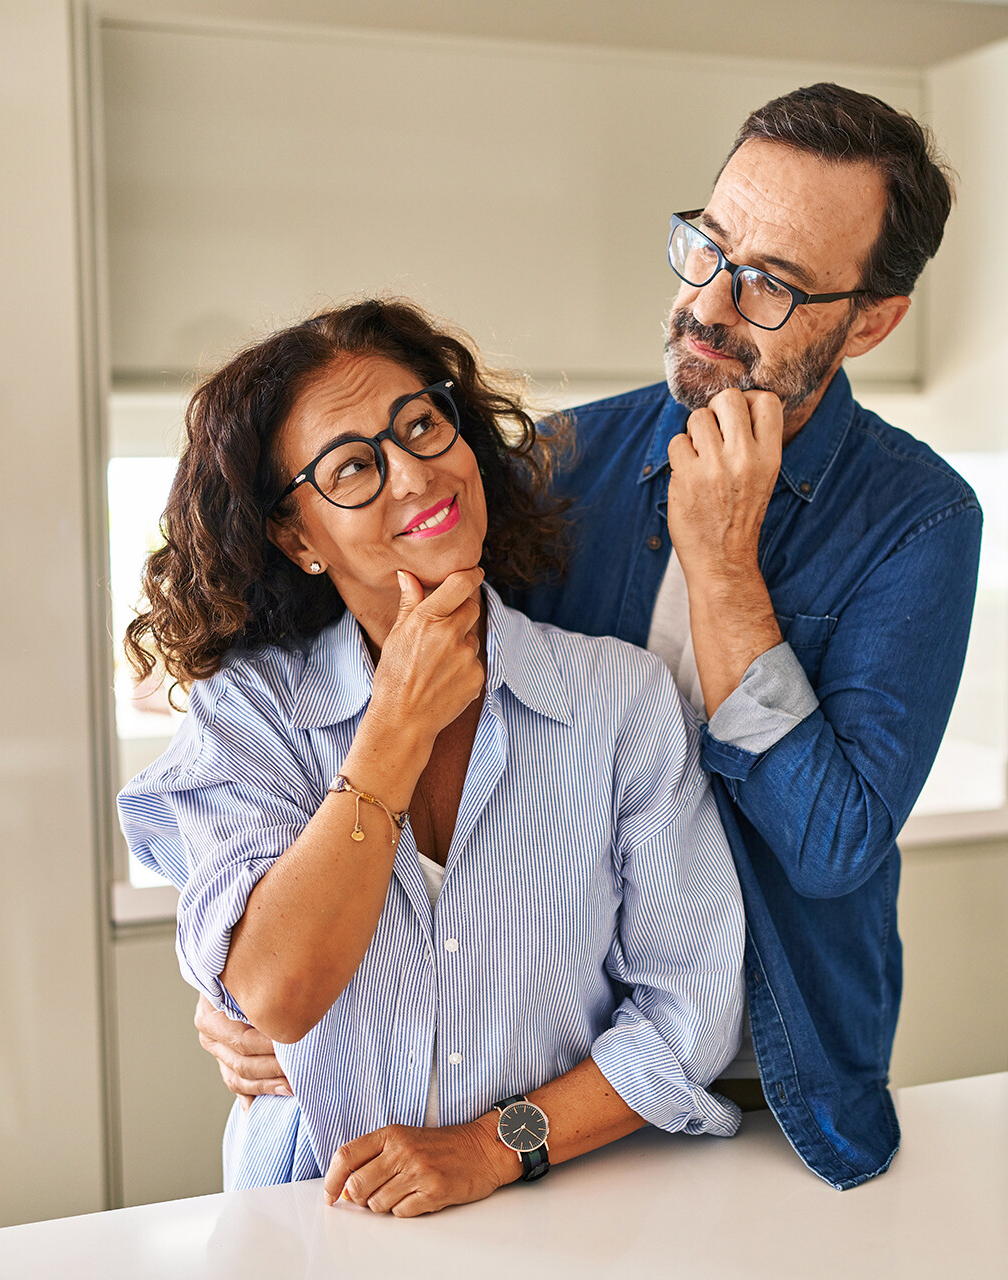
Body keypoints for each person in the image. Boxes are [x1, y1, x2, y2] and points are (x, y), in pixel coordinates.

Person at [199, 82, 978, 1191]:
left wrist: (724, 569)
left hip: (777, 1074)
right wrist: (240, 972)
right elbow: (373, 672)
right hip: (545, 1073)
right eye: (708, 247)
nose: (708, 303)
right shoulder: (557, 464)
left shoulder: (919, 521)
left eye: (771, 283)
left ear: (871, 321)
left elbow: (831, 849)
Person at [120, 300, 745, 1214]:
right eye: (352, 467)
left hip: (567, 1214)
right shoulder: (249, 711)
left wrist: (494, 1147)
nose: (414, 474)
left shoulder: (622, 702)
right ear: (298, 537)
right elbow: (275, 993)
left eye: (420, 425)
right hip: (312, 1218)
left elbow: (689, 1016)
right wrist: (394, 730)